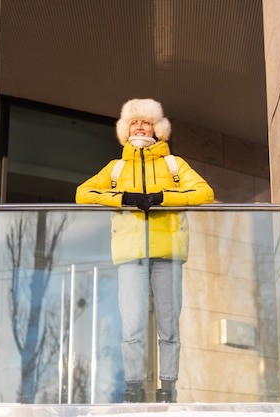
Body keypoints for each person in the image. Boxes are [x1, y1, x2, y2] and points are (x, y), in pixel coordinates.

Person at [76, 98, 214, 403]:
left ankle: (169, 388)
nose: (140, 126)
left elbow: (205, 192)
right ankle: (134, 387)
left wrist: (162, 197)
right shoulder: (116, 168)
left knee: (169, 325)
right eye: (133, 122)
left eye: (146, 121)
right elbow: (82, 193)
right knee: (132, 326)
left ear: (158, 128)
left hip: (168, 252)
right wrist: (123, 198)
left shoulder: (173, 165)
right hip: (130, 254)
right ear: (125, 130)